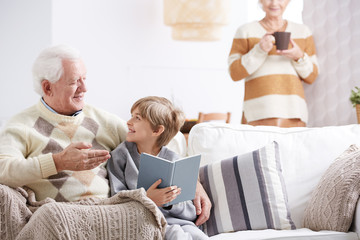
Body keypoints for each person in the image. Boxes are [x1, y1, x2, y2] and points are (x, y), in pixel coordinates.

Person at [0, 44, 211, 238]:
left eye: (85, 78)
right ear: (47, 88)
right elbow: (3, 168)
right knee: (50, 215)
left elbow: (159, 147)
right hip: (64, 212)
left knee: (146, 215)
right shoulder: (22, 125)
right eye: (74, 82)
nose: (84, 88)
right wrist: (58, 162)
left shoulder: (103, 121)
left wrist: (194, 184)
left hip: (111, 210)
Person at [107, 96, 209, 240]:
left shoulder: (174, 160)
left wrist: (169, 203)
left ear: (156, 130)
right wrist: (148, 199)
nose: (128, 122)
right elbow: (116, 199)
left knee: (199, 236)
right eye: (131, 116)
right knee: (175, 235)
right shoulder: (121, 156)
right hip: (146, 222)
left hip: (181, 222)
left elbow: (191, 213)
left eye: (137, 118)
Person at [228, 0, 319, 127]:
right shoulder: (245, 31)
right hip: (257, 114)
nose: (274, 3)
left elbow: (312, 76)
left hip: (294, 113)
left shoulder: (303, 32)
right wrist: (259, 50)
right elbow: (234, 73)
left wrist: (299, 56)